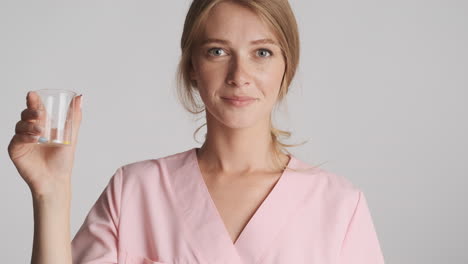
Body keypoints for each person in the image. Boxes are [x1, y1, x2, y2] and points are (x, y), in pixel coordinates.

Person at [8, 0, 385, 263]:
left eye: (263, 53)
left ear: (288, 66)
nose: (239, 76)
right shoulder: (134, 191)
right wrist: (51, 193)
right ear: (191, 66)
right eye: (217, 52)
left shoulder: (339, 206)